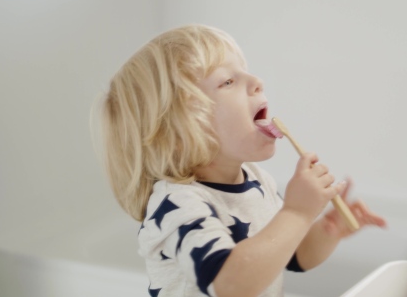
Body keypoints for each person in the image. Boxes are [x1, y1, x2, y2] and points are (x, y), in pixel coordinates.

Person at [100, 24, 386, 297]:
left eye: (245, 72)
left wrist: (325, 230)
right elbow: (230, 286)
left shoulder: (257, 180)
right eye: (227, 81)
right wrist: (297, 213)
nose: (257, 82)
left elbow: (292, 255)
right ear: (179, 133)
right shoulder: (176, 205)